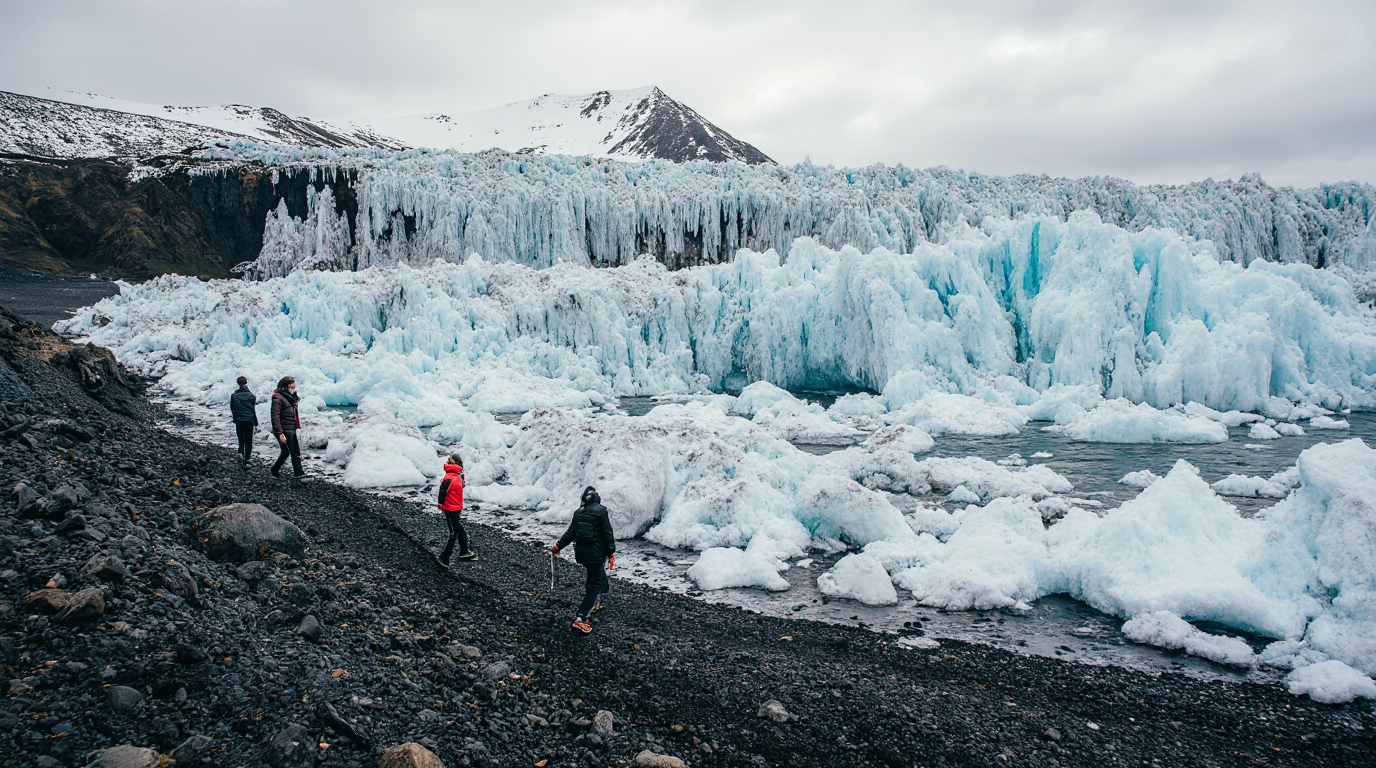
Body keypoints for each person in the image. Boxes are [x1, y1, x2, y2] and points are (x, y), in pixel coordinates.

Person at [552, 486, 616, 634]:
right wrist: (611, 551)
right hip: (596, 554)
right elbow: (607, 532)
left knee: (595, 575)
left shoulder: (578, 513)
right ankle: (581, 617)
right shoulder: (601, 511)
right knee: (595, 582)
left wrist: (558, 546)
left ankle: (595, 602)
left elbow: (570, 533)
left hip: (581, 554)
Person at [436, 454, 476, 566]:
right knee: (455, 532)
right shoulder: (452, 477)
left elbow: (461, 485)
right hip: (451, 509)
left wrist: (461, 475)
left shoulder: (454, 476)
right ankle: (444, 558)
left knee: (458, 530)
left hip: (454, 509)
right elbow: (442, 492)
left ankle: (463, 552)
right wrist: (441, 504)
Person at [270, 376, 304, 479]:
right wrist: (280, 433)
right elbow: (275, 416)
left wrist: (295, 396)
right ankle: (298, 473)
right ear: (287, 385)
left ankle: (275, 469)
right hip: (285, 429)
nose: (294, 387)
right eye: (292, 386)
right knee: (293, 451)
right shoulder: (278, 398)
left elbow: (293, 407)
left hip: (291, 428)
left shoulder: (288, 398)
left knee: (288, 451)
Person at [229, 376, 258, 469]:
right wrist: (255, 421)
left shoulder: (234, 396)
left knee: (241, 438)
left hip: (239, 420)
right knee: (249, 440)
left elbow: (232, 408)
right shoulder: (251, 396)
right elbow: (253, 409)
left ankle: (240, 453)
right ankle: (247, 459)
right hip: (249, 420)